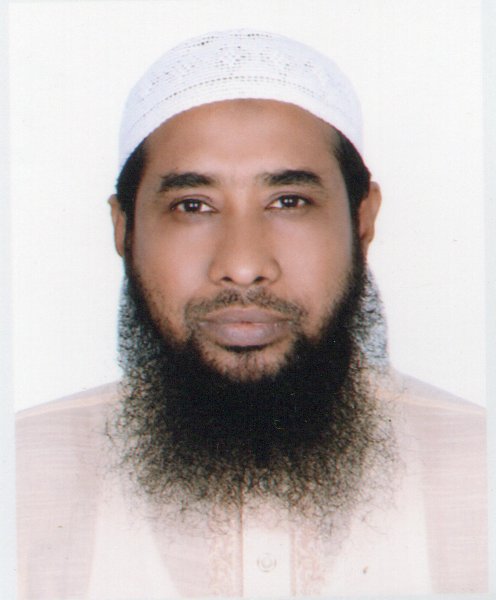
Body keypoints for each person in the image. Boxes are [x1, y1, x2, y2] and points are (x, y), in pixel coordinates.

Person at [16, 29, 487, 598]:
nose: (242, 267)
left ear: (362, 221)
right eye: (193, 206)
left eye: (289, 202)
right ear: (124, 229)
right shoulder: (20, 474)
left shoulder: (480, 464)